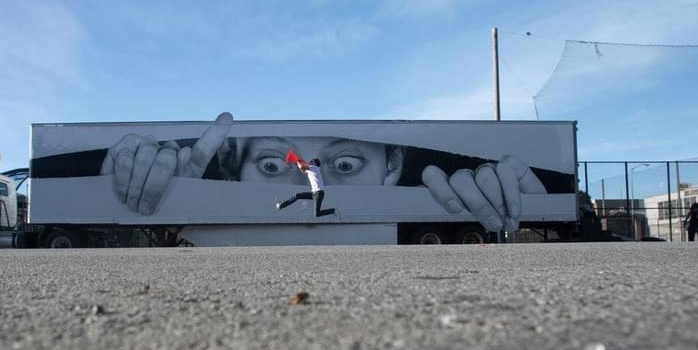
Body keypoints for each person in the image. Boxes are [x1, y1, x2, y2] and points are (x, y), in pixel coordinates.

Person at [97, 113, 552, 234]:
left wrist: (541, 199)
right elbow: (303, 170)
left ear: (392, 169)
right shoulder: (305, 176)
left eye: (347, 164)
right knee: (306, 198)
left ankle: (314, 202)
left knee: (312, 199)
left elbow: (307, 172)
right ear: (233, 172)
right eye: (270, 165)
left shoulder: (314, 177)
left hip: (321, 203)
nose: (303, 169)